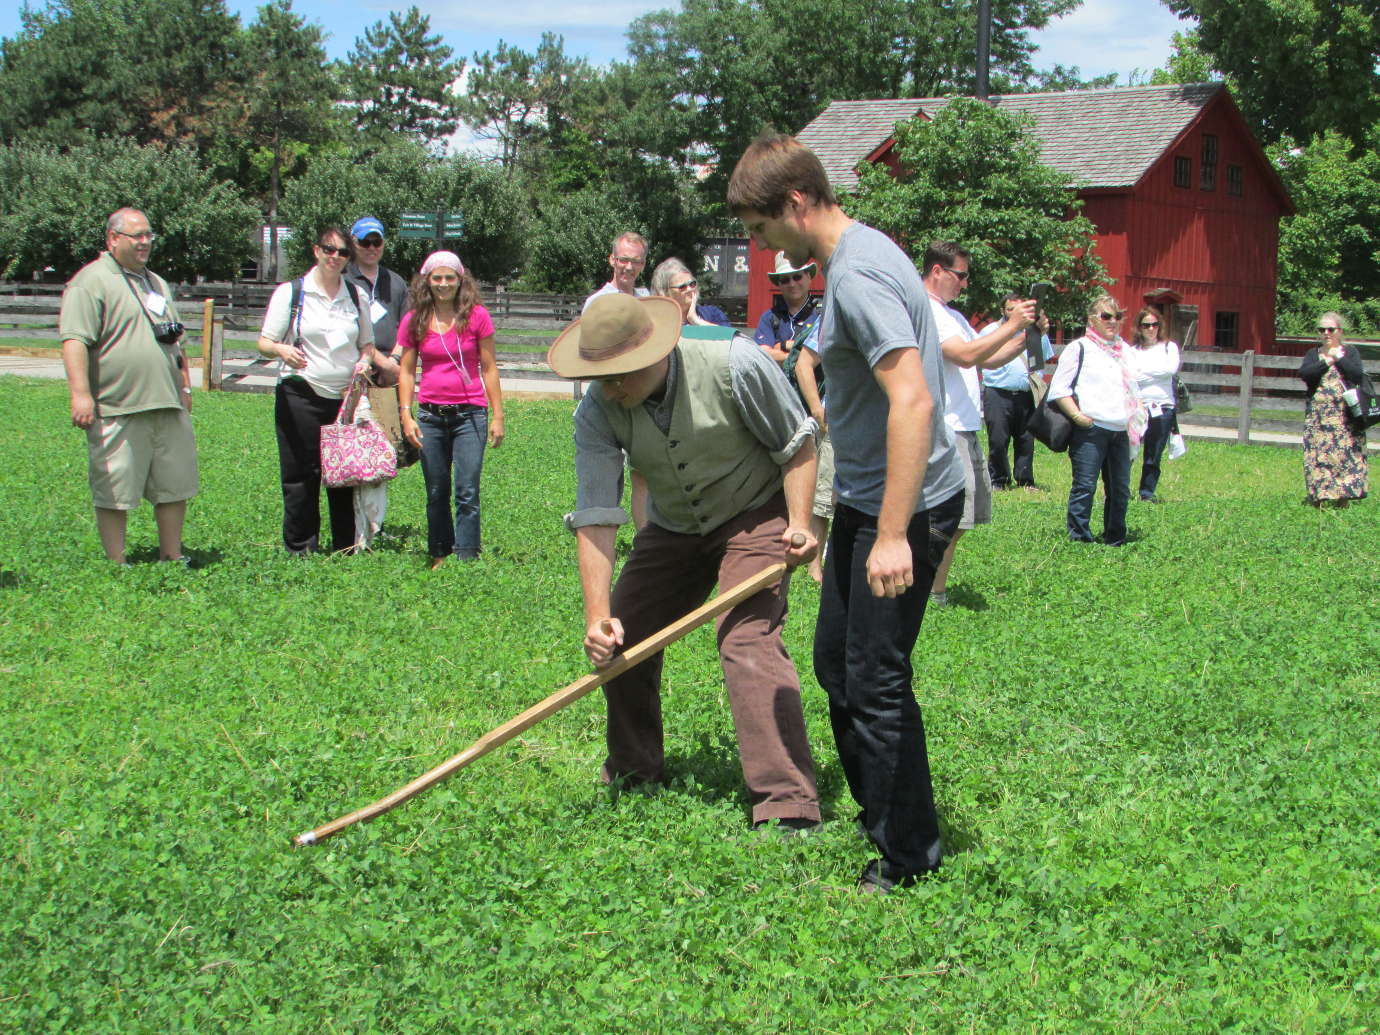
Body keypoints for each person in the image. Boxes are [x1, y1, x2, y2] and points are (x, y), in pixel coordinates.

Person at [728, 132, 966, 892]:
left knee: (876, 677)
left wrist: (894, 533)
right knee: (838, 659)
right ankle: (884, 814)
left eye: (762, 228)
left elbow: (914, 398)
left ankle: (909, 856)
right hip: (869, 496)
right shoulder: (861, 250)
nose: (760, 247)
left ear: (796, 202)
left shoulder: (858, 275)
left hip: (909, 502)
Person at [547, 292, 822, 833]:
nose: (610, 388)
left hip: (753, 513)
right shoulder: (597, 411)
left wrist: (798, 523)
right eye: (599, 377)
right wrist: (598, 619)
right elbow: (597, 513)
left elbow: (798, 444)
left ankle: (788, 801)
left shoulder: (733, 361)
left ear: (654, 352)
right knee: (624, 635)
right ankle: (634, 767)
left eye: (619, 375)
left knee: (745, 637)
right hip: (674, 526)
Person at [59, 207, 198, 564]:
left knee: (173, 485)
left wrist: (185, 387)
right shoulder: (90, 281)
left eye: (148, 235)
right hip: (117, 404)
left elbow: (175, 340)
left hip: (166, 402)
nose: (144, 242)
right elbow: (75, 339)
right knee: (114, 488)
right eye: (136, 235)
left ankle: (171, 555)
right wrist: (80, 394)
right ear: (112, 239)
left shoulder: (156, 283)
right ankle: (117, 563)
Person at [922, 243, 1035, 608]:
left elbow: (985, 358)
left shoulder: (953, 316)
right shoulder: (929, 312)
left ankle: (931, 589)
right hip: (945, 427)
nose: (965, 284)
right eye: (961, 275)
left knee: (963, 520)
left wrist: (1021, 338)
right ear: (937, 271)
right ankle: (928, 592)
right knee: (948, 517)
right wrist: (1012, 323)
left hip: (966, 428)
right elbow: (965, 355)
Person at [257, 227, 376, 554]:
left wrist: (364, 363)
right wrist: (282, 351)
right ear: (316, 251)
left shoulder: (356, 295)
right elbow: (264, 341)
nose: (335, 257)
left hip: (343, 399)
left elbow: (366, 344)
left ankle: (346, 547)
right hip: (301, 393)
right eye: (329, 250)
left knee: (344, 474)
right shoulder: (291, 292)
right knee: (301, 474)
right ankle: (300, 548)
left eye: (343, 253)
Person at [397, 251, 505, 567]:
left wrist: (498, 415)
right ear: (427, 281)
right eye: (437, 278)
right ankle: (440, 553)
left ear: (461, 281)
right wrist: (406, 414)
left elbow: (489, 368)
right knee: (436, 489)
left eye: (450, 278)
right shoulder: (414, 320)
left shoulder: (478, 317)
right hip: (430, 415)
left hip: (470, 414)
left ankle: (468, 555)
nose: (444, 284)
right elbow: (406, 370)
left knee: (467, 489)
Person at [1048, 295, 1147, 545]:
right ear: (1092, 319)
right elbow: (1059, 389)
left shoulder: (1124, 350)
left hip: (1121, 430)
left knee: (1120, 489)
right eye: (1106, 316)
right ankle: (1080, 538)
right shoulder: (1079, 347)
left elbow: (1135, 386)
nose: (1112, 321)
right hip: (1091, 429)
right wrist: (1078, 417)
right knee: (1085, 486)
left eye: (1117, 317)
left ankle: (1115, 538)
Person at [981, 293, 1054, 491]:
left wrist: (1039, 331)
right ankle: (998, 480)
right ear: (1002, 311)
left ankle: (1025, 481)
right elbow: (980, 357)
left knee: (1026, 439)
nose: (1014, 313)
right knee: (998, 439)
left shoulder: (1033, 331)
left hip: (1025, 394)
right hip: (998, 393)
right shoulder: (991, 331)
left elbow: (1043, 358)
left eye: (1018, 309)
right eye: (1010, 309)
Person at [1299, 312, 1368, 506]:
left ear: (1340, 331)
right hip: (1318, 417)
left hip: (1346, 417)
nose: (1326, 333)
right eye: (1322, 329)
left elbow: (1357, 375)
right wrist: (1326, 362)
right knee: (1318, 455)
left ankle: (1343, 498)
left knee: (1345, 455)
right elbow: (1305, 374)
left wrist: (1339, 358)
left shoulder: (1350, 353)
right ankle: (1319, 497)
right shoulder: (1313, 354)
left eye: (1331, 329)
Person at [1126, 307, 1181, 502]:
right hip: (1137, 407)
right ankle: (1120, 490)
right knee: (1130, 450)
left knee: (1153, 453)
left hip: (1163, 407)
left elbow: (1170, 369)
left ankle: (1146, 494)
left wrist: (1143, 372)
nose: (1151, 329)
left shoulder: (1169, 347)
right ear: (1139, 328)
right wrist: (1152, 372)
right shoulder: (1132, 351)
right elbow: (1130, 376)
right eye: (1146, 325)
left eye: (1154, 324)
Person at [754, 251, 820, 364]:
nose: (792, 284)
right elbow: (762, 355)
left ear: (808, 277)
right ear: (779, 284)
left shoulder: (822, 315)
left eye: (797, 277)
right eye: (785, 280)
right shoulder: (769, 317)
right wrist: (801, 355)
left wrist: (781, 346)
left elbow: (826, 353)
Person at [650, 257, 731, 326]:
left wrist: (696, 321)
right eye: (682, 287)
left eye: (692, 283)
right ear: (665, 292)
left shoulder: (713, 314)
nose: (689, 289)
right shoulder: (656, 323)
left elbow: (730, 338)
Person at [582, 231, 651, 312]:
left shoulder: (647, 303)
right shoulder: (595, 303)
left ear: (643, 264)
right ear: (612, 260)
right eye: (624, 259)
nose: (629, 267)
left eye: (635, 261)